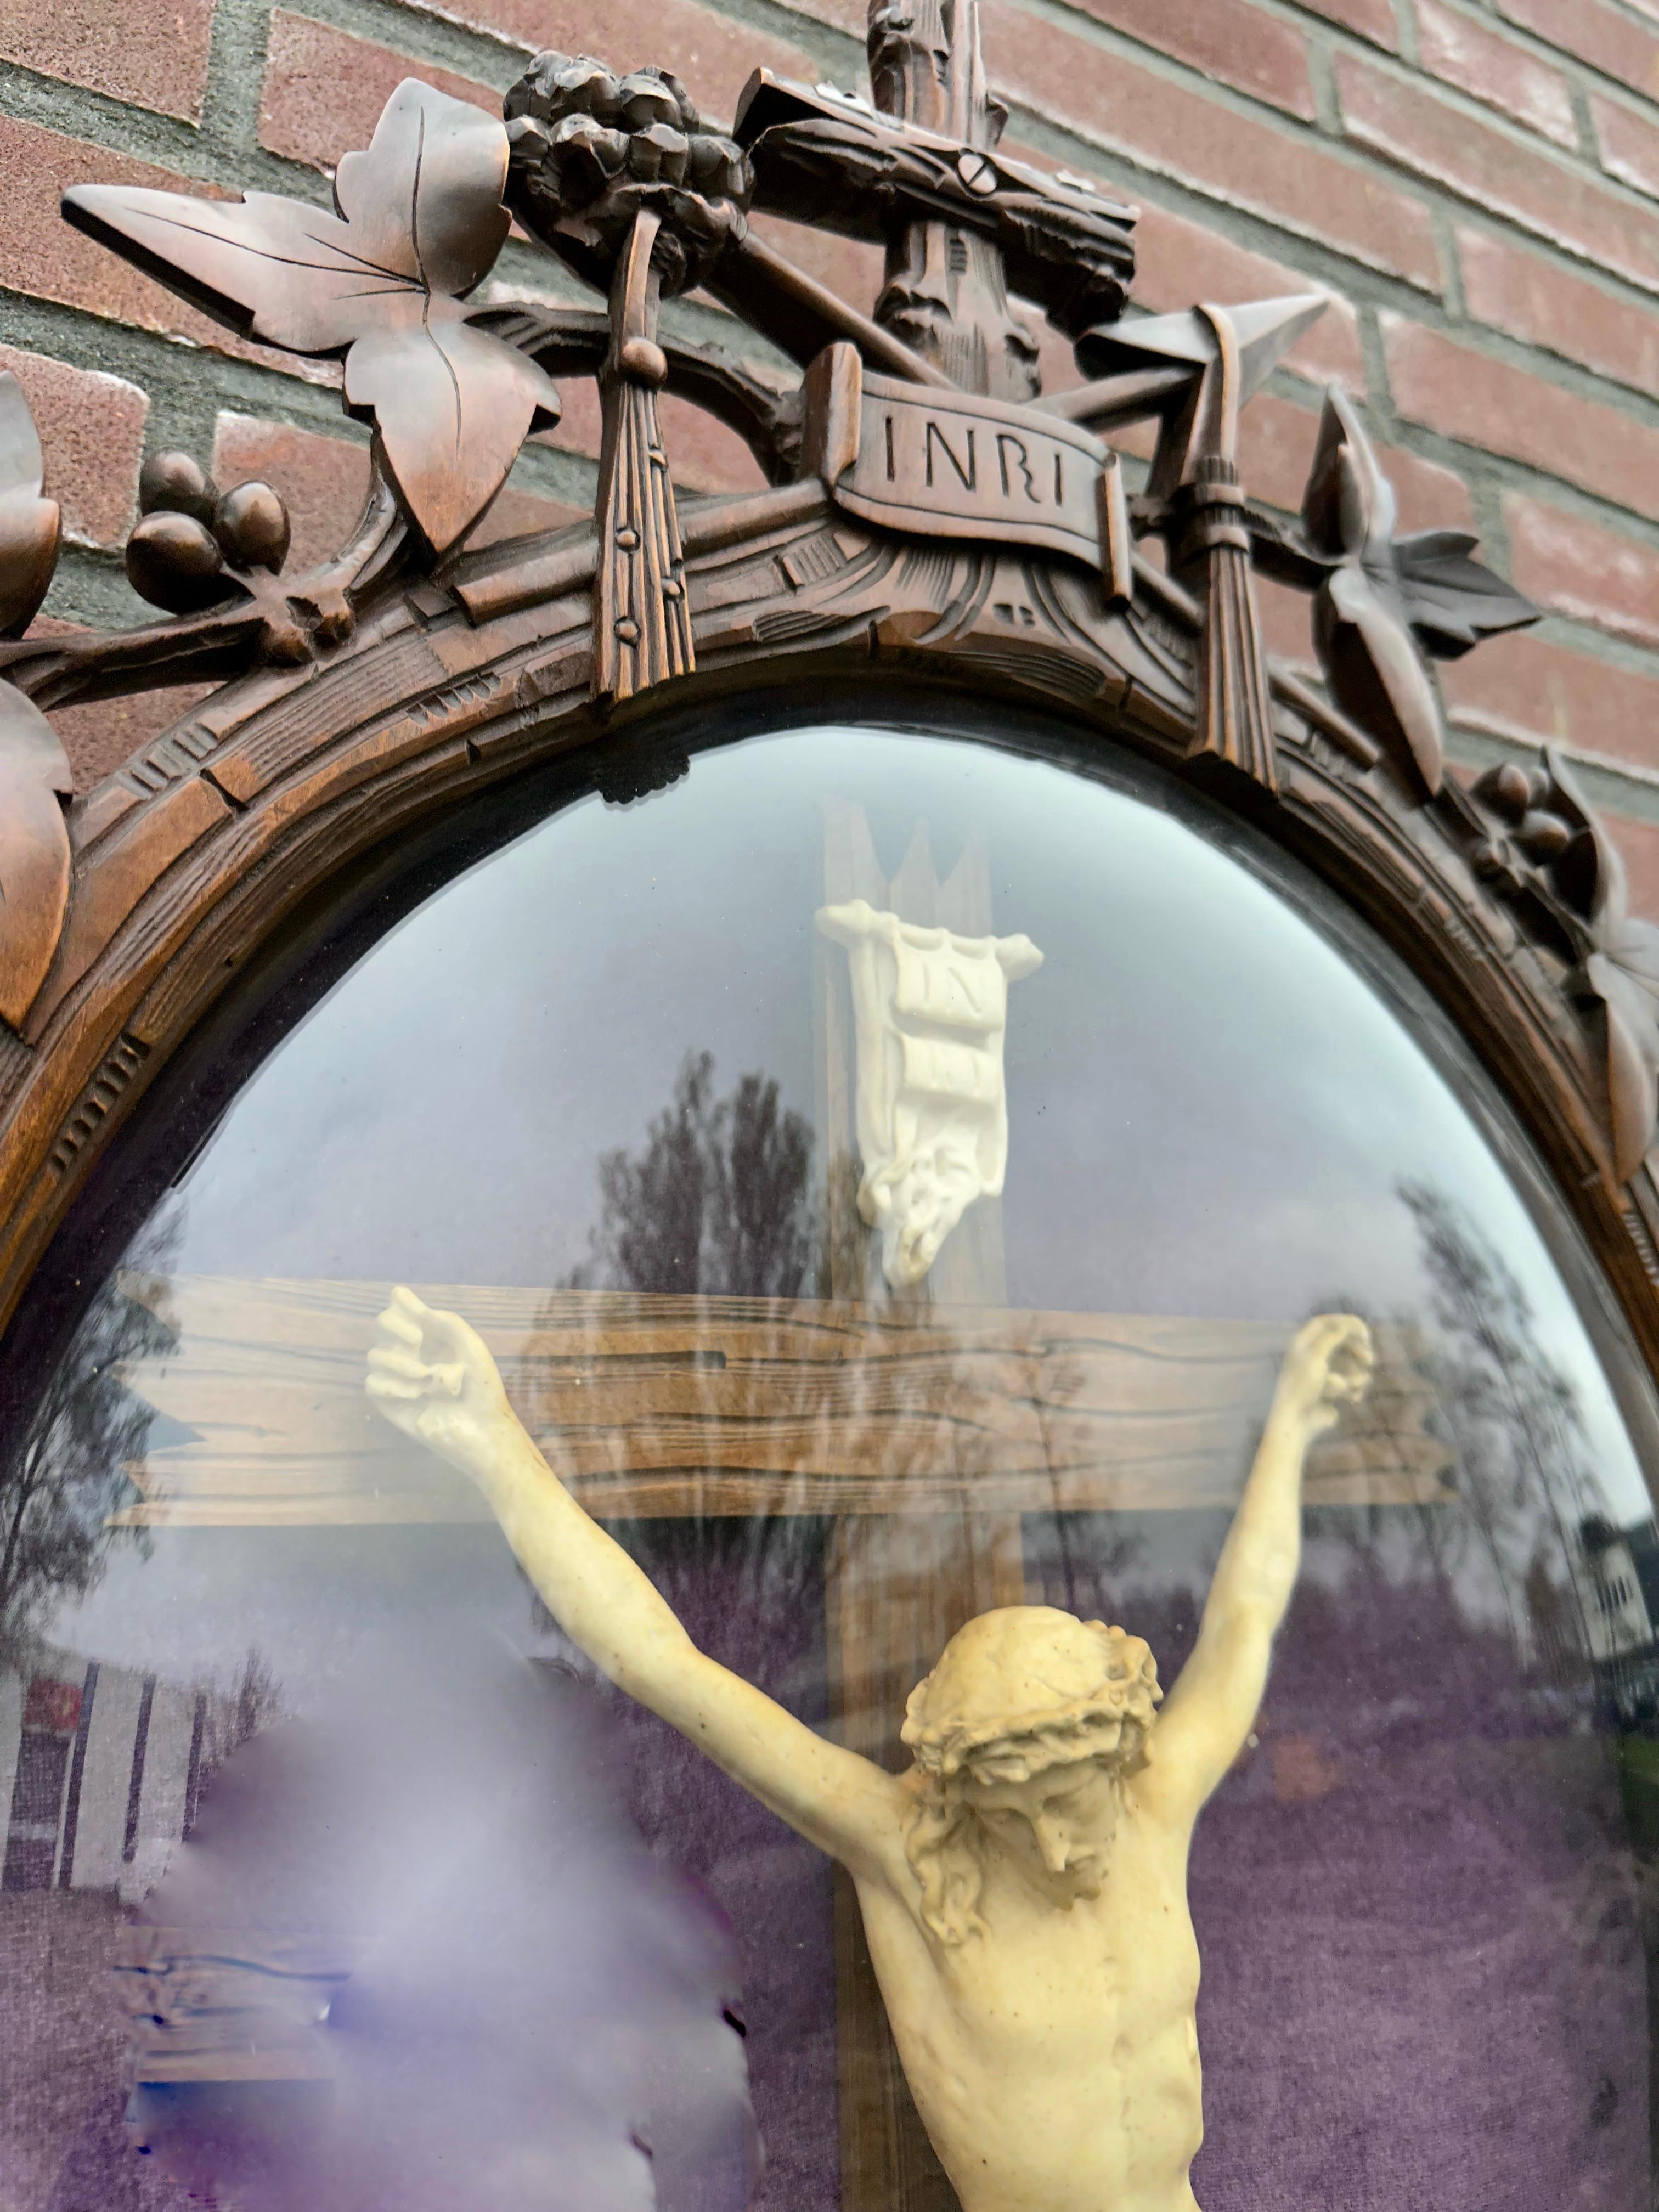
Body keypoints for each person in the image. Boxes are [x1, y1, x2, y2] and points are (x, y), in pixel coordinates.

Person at [367, 1294, 1373, 2212]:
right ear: (963, 1799)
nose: (1067, 1854)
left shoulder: (1156, 1807)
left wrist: (1290, 1426)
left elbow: (1246, 1617)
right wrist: (495, 1444)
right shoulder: (911, 1851)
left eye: (1077, 1809)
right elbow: (663, 1665)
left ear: (1119, 1763)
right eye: (1025, 1825)